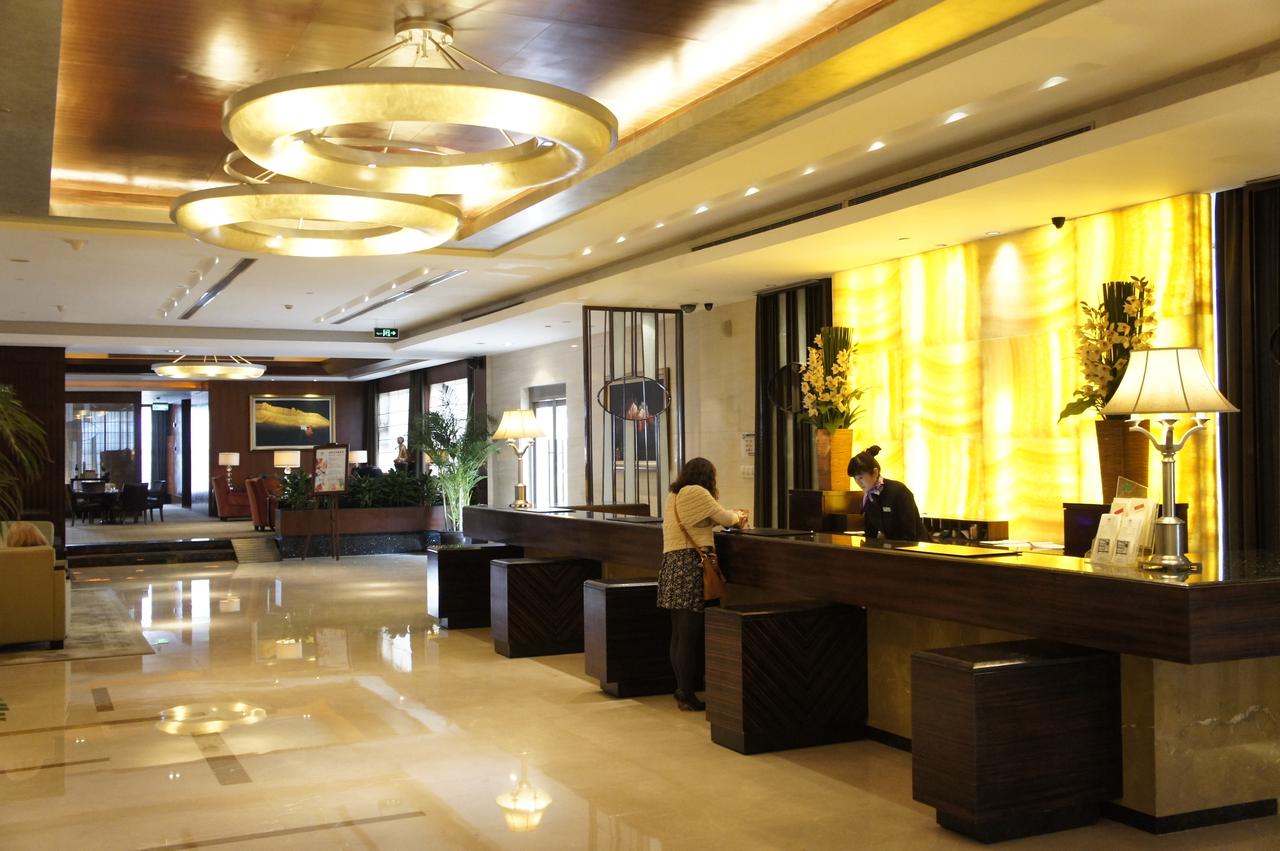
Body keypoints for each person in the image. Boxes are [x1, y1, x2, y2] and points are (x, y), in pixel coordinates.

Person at [658, 457, 748, 711]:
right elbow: (726, 518)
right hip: (690, 565)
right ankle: (686, 694)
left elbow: (699, 520)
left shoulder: (674, 495)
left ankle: (681, 689)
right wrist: (739, 515)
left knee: (678, 635)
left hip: (672, 566)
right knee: (688, 636)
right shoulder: (697, 492)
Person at [848, 444, 927, 541]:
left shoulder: (899, 491)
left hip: (919, 546)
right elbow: (870, 533)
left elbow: (909, 534)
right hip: (894, 547)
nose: (858, 482)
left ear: (875, 473)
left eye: (861, 477)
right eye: (855, 478)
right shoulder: (868, 497)